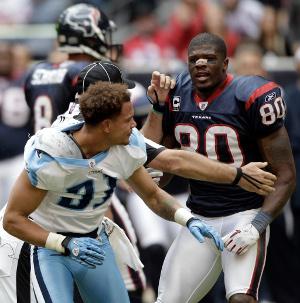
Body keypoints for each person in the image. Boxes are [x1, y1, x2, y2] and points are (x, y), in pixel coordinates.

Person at [3, 80, 225, 303]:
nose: (134, 126)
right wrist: (63, 243)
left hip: (95, 244)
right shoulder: (52, 152)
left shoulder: (123, 148)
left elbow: (153, 195)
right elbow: (12, 219)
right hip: (51, 249)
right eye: (128, 120)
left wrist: (188, 219)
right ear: (107, 125)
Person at [141, 32, 296, 303]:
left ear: (226, 64)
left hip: (245, 214)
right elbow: (157, 169)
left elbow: (285, 175)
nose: (201, 63)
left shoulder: (251, 96)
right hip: (200, 217)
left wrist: (257, 225)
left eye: (209, 58)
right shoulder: (177, 95)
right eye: (194, 59)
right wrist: (158, 107)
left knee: (241, 298)